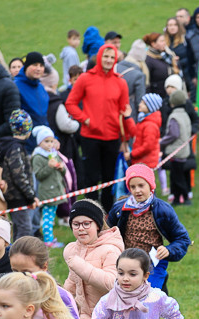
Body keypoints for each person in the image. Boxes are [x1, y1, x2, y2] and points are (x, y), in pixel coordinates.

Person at [65, 44, 131, 208]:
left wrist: (125, 141)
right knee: (92, 178)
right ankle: (91, 212)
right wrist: (85, 119)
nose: (108, 60)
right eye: (106, 56)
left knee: (110, 178)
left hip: (112, 137)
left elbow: (124, 112)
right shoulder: (85, 78)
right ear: (99, 58)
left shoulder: (120, 82)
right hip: (90, 137)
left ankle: (108, 214)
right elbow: (70, 103)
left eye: (112, 57)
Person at [107, 164, 191, 291]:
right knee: (126, 300)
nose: (137, 190)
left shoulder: (163, 209)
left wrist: (169, 250)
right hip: (126, 264)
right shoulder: (120, 209)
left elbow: (182, 239)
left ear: (150, 185)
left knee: (150, 300)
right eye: (133, 187)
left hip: (153, 264)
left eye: (141, 185)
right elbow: (107, 234)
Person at [0, 111, 37, 240]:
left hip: (14, 194)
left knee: (18, 227)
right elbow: (19, 175)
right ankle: (20, 257)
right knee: (25, 229)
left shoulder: (12, 146)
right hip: (18, 196)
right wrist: (30, 196)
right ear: (28, 130)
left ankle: (15, 256)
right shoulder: (16, 148)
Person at [31, 127, 66, 247]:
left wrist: (62, 167)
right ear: (39, 142)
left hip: (56, 190)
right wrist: (49, 166)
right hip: (46, 192)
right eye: (46, 141)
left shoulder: (53, 154)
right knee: (47, 218)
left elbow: (63, 173)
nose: (49, 144)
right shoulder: (37, 157)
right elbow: (39, 175)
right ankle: (48, 241)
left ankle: (49, 239)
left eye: (51, 141)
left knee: (51, 217)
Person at [14, 52, 50, 131]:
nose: (38, 69)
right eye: (35, 65)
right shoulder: (15, 87)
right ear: (26, 66)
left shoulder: (41, 88)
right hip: (25, 139)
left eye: (41, 66)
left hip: (42, 139)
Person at [127, 92, 163, 168]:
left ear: (150, 107)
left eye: (143, 103)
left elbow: (147, 146)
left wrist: (132, 154)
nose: (140, 104)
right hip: (141, 161)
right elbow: (135, 134)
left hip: (145, 163)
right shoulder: (143, 120)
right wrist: (128, 118)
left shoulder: (150, 125)